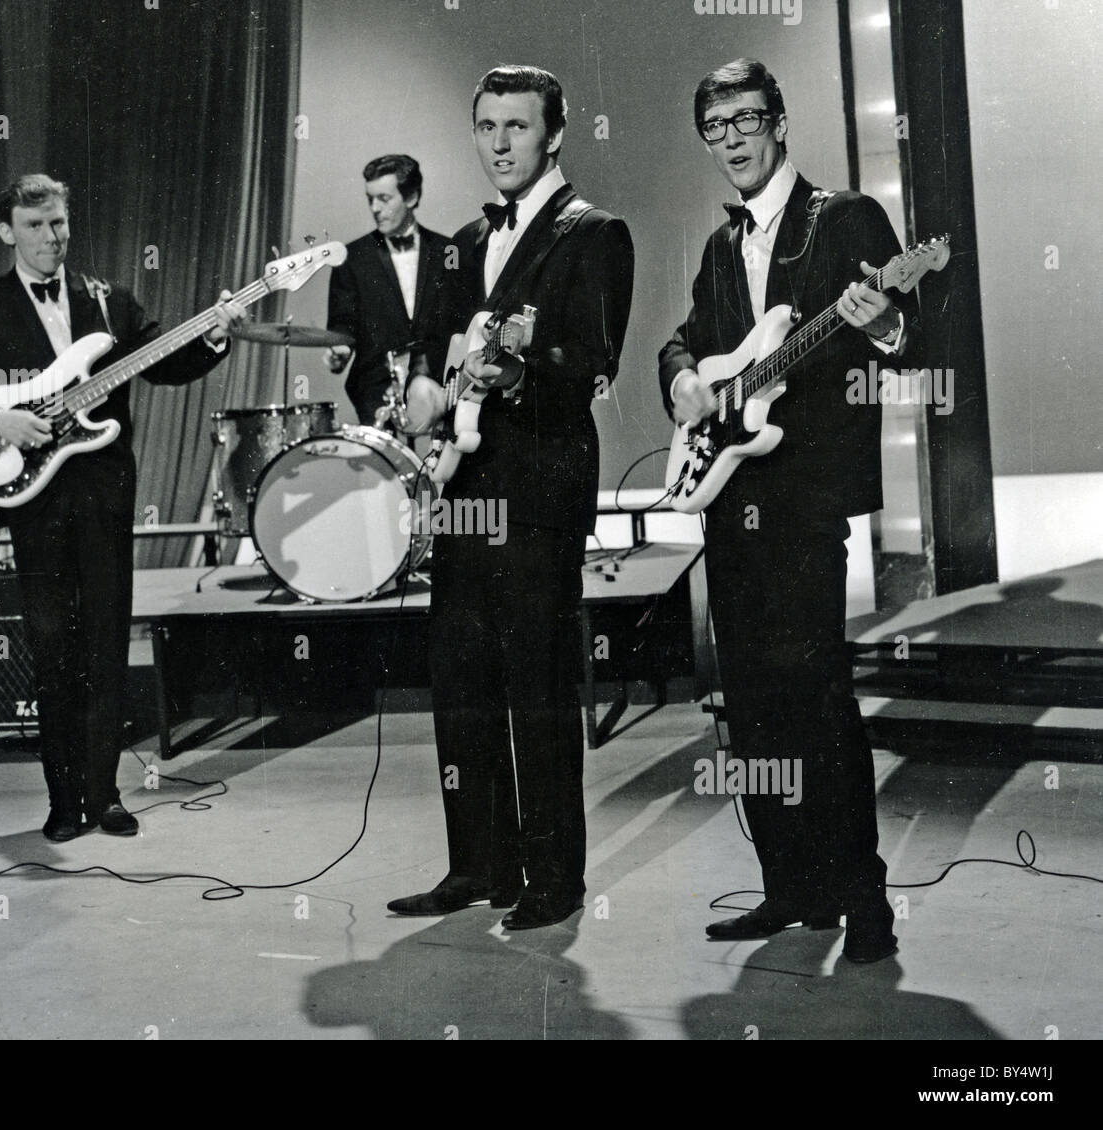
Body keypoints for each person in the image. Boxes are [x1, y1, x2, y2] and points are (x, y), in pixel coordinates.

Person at [659, 60, 923, 962]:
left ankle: (866, 906)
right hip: (732, 503)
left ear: (778, 123)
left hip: (806, 505)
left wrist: (881, 319)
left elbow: (911, 328)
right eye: (714, 125)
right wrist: (688, 381)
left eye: (743, 119)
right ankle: (789, 889)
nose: (730, 138)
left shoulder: (841, 218)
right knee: (753, 710)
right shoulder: (718, 246)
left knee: (818, 703)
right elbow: (684, 341)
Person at [0, 174, 245, 842]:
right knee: (52, 652)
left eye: (59, 223)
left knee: (104, 649)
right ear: (8, 232)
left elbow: (163, 365)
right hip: (34, 504)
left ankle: (105, 796)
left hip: (103, 497)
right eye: (35, 226)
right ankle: (64, 802)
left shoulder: (109, 302)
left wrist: (216, 335)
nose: (50, 237)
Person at [392, 66, 635, 930]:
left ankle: (552, 878)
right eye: (486, 126)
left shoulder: (594, 233)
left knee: (536, 687)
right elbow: (427, 352)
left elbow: (591, 364)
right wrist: (423, 389)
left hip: (537, 488)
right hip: (462, 490)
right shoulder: (460, 241)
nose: (498, 143)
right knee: (460, 683)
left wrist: (520, 370)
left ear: (555, 134)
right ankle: (478, 863)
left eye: (517, 127)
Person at [324, 154, 453, 430]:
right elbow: (342, 324)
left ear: (411, 197)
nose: (374, 208)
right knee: (385, 471)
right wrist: (341, 349)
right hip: (375, 390)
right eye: (370, 199)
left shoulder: (449, 251)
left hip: (440, 386)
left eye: (384, 198)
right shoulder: (351, 257)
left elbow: (460, 320)